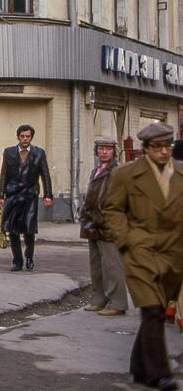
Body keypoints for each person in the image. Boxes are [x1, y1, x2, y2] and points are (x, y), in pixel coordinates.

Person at [102, 122, 183, 391]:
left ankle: (139, 366)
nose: (164, 151)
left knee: (158, 311)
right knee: (151, 310)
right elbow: (112, 210)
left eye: (168, 146)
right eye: (158, 147)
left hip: (173, 255)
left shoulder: (181, 174)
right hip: (140, 252)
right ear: (146, 149)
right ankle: (161, 375)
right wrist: (126, 240)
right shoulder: (126, 175)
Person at [80, 135, 127, 317]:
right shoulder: (96, 170)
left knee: (112, 265)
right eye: (101, 148)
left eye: (108, 148)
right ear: (96, 150)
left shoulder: (118, 171)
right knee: (96, 264)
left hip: (108, 224)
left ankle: (118, 303)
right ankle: (99, 299)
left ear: (114, 151)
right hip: (92, 222)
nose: (104, 151)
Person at [0, 124, 53, 271]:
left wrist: (48, 195)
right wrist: (0, 194)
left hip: (30, 195)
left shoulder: (39, 153)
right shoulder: (9, 152)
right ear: (18, 137)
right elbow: (4, 174)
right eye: (22, 136)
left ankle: (29, 256)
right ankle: (17, 260)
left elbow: (45, 174)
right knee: (12, 229)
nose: (25, 139)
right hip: (13, 195)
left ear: (31, 137)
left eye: (28, 136)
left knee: (29, 228)